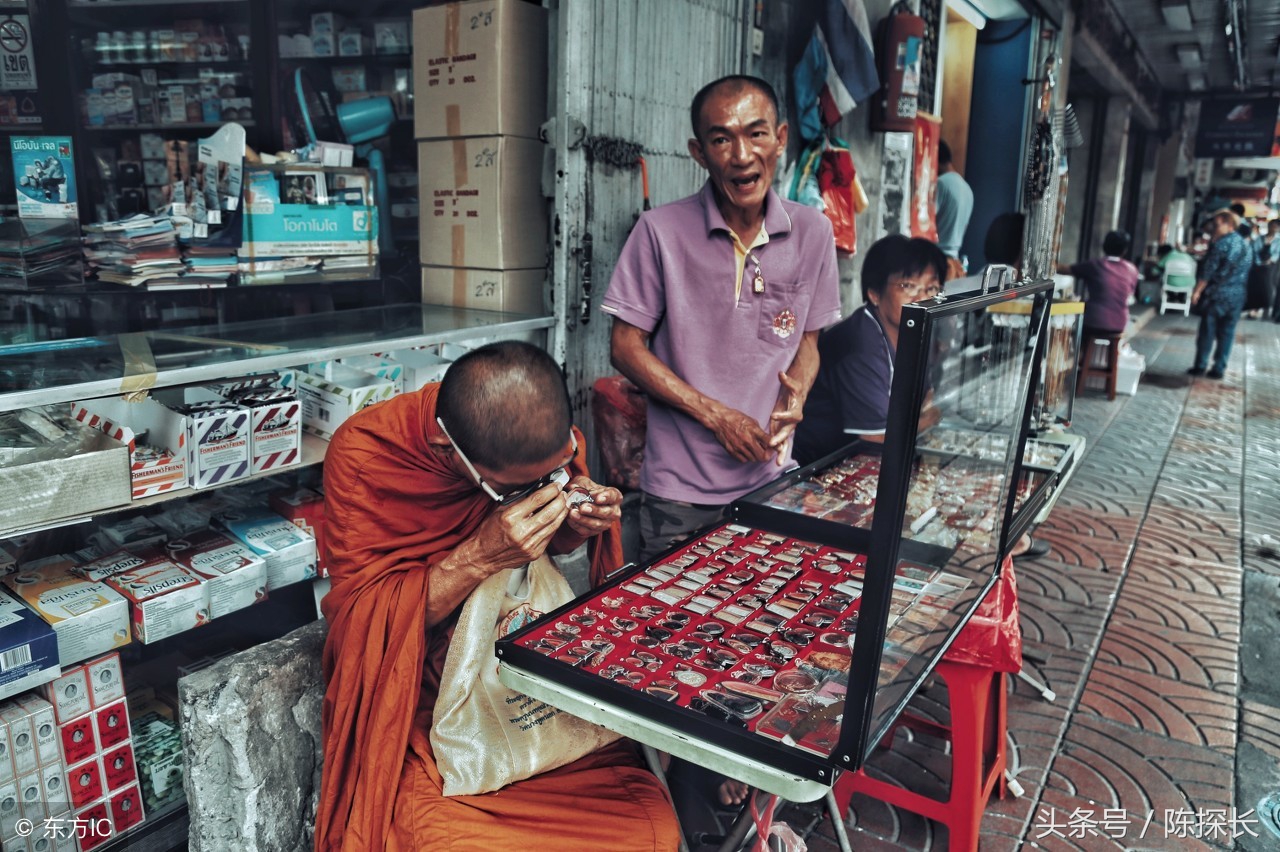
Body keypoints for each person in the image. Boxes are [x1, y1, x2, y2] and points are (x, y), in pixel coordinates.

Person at [314, 341, 680, 851]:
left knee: (648, 827)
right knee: (437, 839)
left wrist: (576, 524)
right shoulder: (368, 456)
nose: (543, 487)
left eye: (554, 472)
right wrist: (478, 558)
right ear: (449, 451)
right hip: (432, 702)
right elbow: (361, 623)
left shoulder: (537, 435)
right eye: (513, 489)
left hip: (535, 677)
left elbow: (553, 545)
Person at [603, 75, 841, 563]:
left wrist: (796, 396)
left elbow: (808, 343)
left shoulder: (814, 232)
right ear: (699, 152)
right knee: (671, 609)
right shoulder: (659, 231)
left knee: (771, 606)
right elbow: (624, 346)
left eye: (756, 133)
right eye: (721, 139)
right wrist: (717, 416)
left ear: (781, 138)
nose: (741, 155)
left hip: (772, 480)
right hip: (678, 491)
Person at [793, 235, 947, 465]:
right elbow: (875, 439)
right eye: (908, 286)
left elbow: (924, 398)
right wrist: (927, 421)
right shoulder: (860, 342)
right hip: (816, 465)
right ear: (875, 293)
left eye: (931, 288)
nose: (923, 298)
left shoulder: (917, 332)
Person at [1190, 208, 1252, 379]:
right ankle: (1219, 368)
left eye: (1217, 225)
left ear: (1229, 224)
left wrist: (1197, 292)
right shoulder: (1246, 245)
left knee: (1207, 331)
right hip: (1238, 295)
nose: (1213, 228)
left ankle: (1200, 365)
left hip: (1217, 295)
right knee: (1227, 333)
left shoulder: (1221, 244)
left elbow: (1208, 272)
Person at [1056, 230, 1140, 339]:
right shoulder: (1132, 269)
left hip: (1095, 321)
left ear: (1104, 246)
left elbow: (1065, 270)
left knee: (1078, 332)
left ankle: (1083, 349)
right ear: (1125, 250)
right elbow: (1130, 294)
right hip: (1120, 323)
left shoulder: (1095, 265)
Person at [934, 140, 974, 276]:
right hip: (955, 263)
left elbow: (927, 221)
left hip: (937, 259)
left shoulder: (941, 183)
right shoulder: (967, 189)